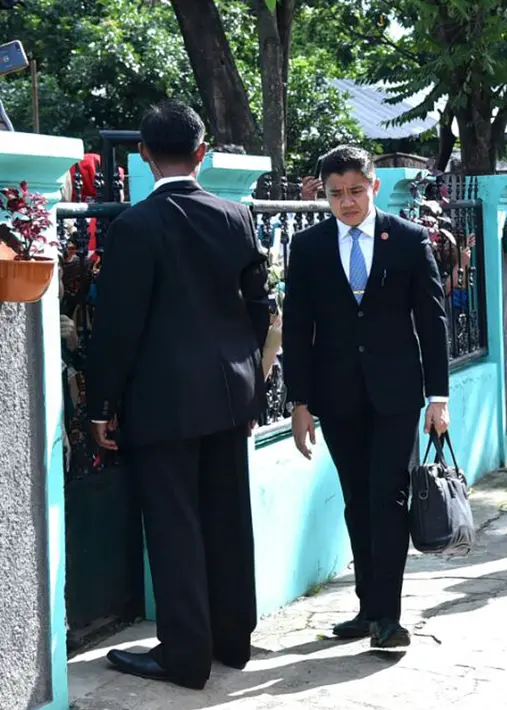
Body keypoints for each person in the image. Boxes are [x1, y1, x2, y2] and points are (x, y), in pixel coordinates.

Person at [87, 101, 270, 690]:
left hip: (161, 403)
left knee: (174, 527)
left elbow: (118, 328)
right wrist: (252, 394)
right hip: (228, 396)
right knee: (226, 519)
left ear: (143, 154)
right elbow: (258, 312)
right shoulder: (235, 217)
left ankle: (185, 656)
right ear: (202, 153)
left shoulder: (134, 227)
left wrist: (100, 407)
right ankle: (233, 641)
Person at [281, 145, 450, 649]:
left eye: (356, 190)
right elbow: (297, 328)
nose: (347, 202)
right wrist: (300, 402)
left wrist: (438, 397)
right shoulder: (308, 247)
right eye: (336, 194)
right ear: (323, 195)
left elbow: (433, 321)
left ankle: (389, 618)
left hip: (397, 394)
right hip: (338, 396)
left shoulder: (408, 240)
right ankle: (367, 606)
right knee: (357, 499)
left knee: (389, 497)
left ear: (374, 187)